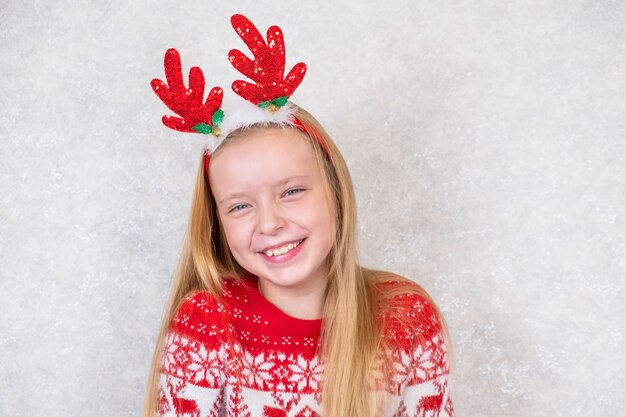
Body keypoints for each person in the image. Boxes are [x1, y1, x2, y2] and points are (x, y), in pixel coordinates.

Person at [143, 14, 454, 417]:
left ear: (336, 194)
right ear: (217, 225)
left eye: (291, 192)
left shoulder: (407, 317)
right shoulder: (208, 323)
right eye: (240, 206)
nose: (269, 223)